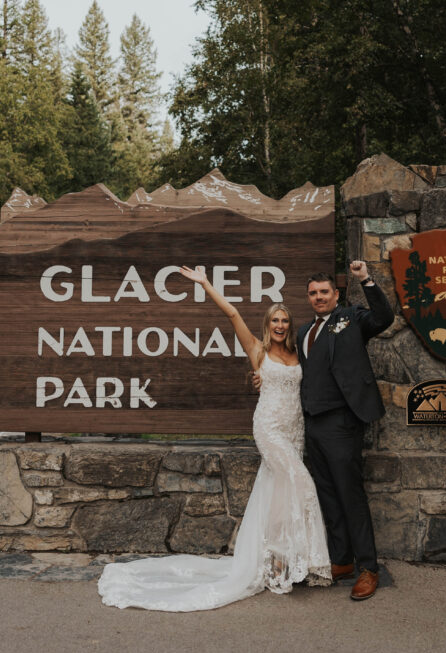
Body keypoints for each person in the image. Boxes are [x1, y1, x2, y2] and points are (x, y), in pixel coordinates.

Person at [98, 265, 331, 612]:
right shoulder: (257, 350)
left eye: (284, 321)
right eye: (274, 321)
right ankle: (298, 559)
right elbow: (233, 313)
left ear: (289, 324)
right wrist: (205, 283)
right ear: (267, 325)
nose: (279, 326)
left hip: (294, 430)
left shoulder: (299, 355)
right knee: (302, 484)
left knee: (281, 495)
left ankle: (278, 562)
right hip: (268, 429)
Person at [297, 260, 394, 601]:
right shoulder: (303, 333)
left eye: (324, 292)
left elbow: (383, 317)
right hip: (314, 424)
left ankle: (369, 568)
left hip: (342, 422)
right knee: (328, 496)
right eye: (313, 293)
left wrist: (366, 280)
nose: (318, 297)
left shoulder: (351, 319)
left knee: (350, 496)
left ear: (335, 294)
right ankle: (342, 560)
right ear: (308, 298)